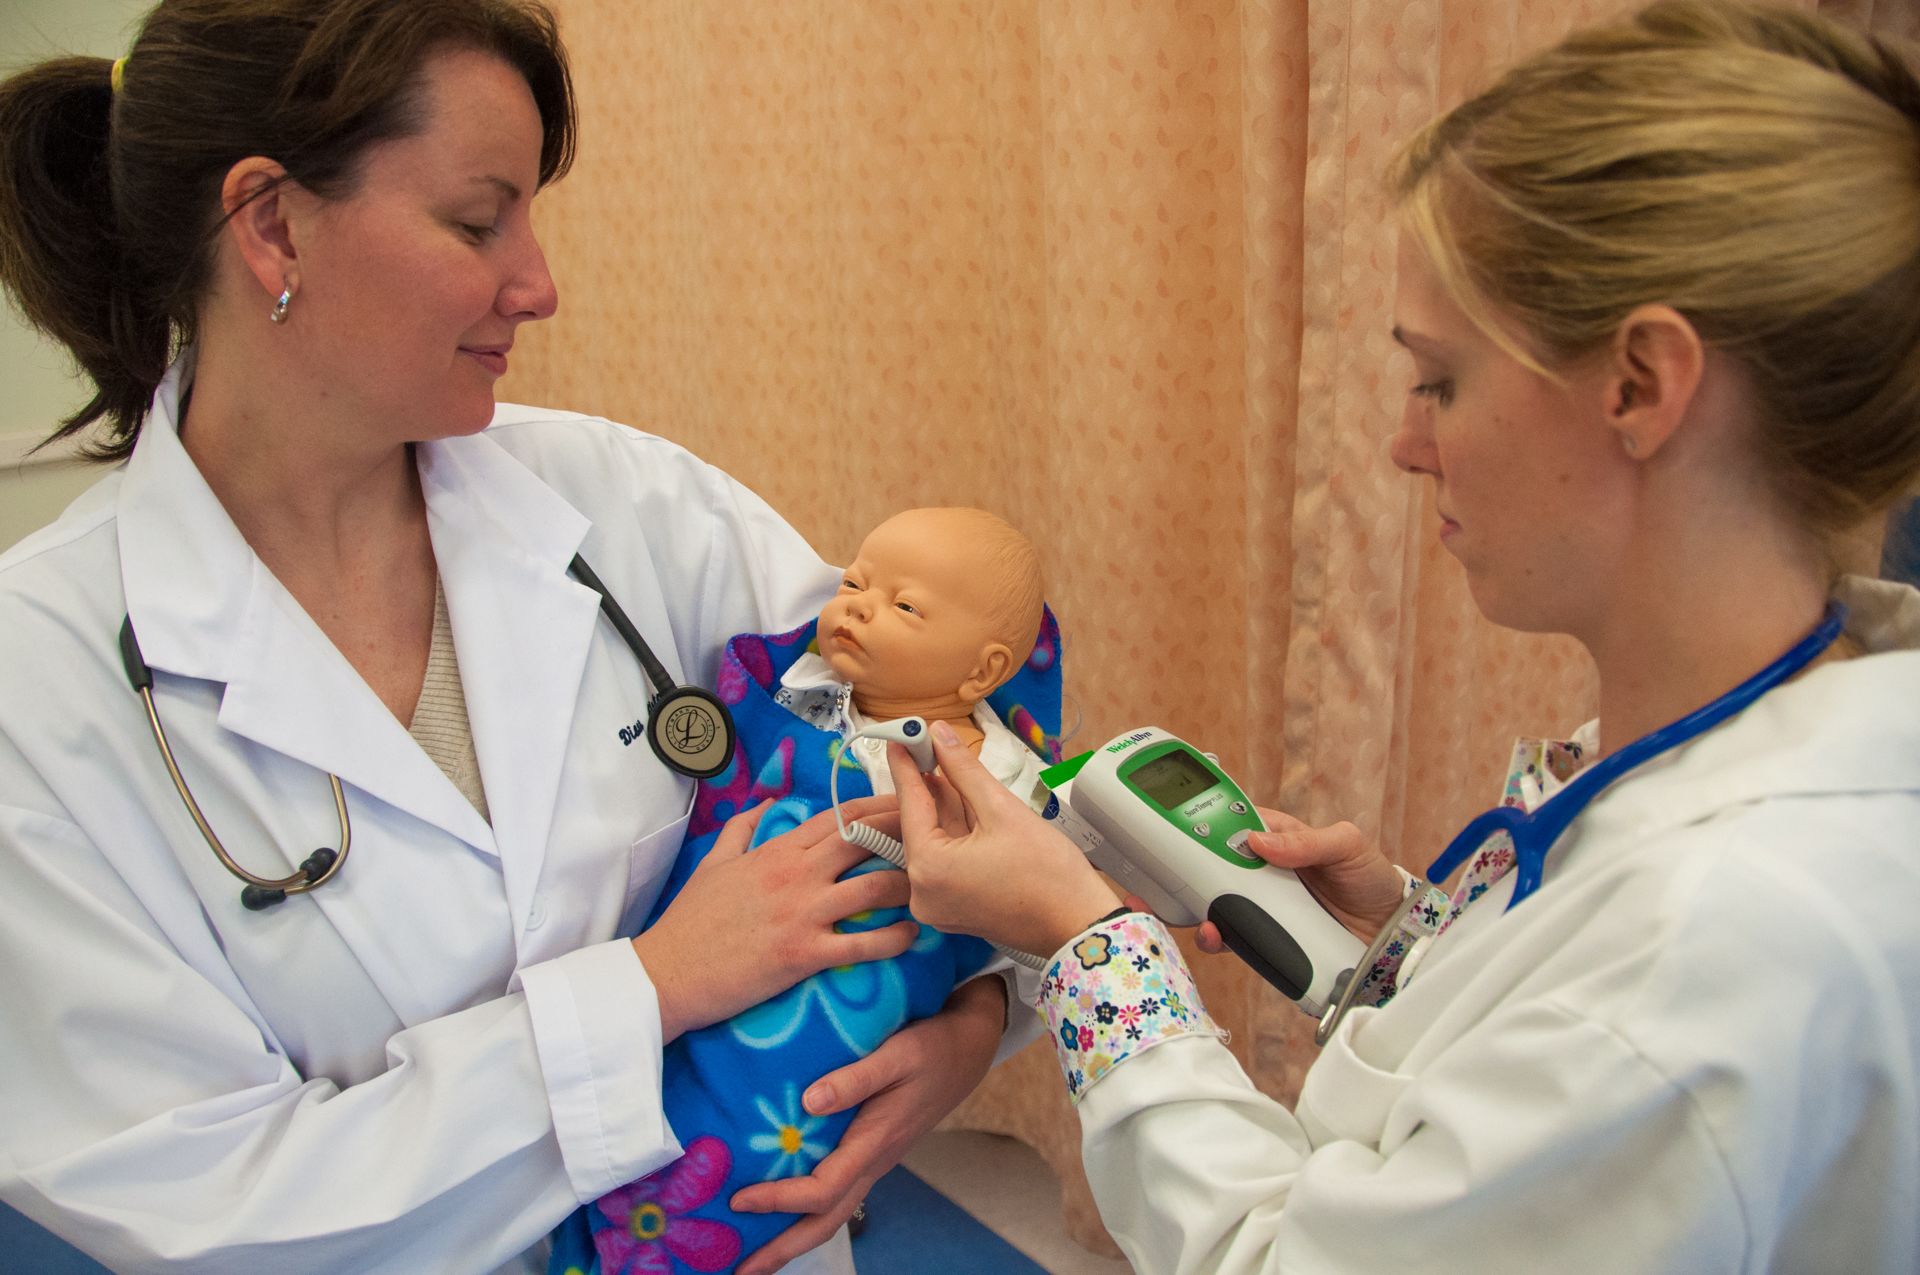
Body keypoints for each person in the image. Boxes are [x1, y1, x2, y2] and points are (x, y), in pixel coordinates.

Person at [888, 2, 1920, 1271]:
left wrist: (1095, 953)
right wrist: (1419, 948)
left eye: (1441, 380)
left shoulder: (1711, 949)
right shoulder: (1795, 733)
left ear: (1642, 385)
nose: (1405, 442)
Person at [0, 4, 1016, 1273]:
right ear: (269, 224)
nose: (538, 284)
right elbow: (204, 1202)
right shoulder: (36, 682)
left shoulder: (633, 507)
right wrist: (648, 989)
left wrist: (975, 1020)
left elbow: (954, 759)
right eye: (478, 222)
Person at [551, 506, 1060, 1275]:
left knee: (747, 1165)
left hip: (850, 1002)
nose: (855, 604)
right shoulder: (794, 691)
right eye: (854, 582)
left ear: (984, 672)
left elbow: (1033, 917)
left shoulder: (1001, 782)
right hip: (691, 966)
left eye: (905, 606)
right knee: (646, 1121)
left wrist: (977, 1019)